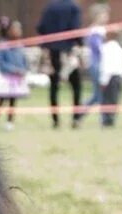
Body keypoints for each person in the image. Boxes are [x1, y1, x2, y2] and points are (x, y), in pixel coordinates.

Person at [36, 0, 82, 128]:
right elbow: (75, 29)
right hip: (69, 52)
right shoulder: (74, 7)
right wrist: (80, 45)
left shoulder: (49, 7)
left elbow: (41, 28)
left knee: (54, 88)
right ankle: (76, 119)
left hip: (53, 52)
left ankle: (55, 120)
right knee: (76, 87)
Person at [0, 18, 29, 132]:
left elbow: (24, 61)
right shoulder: (3, 46)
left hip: (17, 79)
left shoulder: (20, 46)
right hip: (6, 78)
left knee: (13, 101)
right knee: (1, 100)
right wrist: (13, 70)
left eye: (20, 29)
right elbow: (0, 63)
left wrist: (24, 70)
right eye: (16, 28)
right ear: (9, 30)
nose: (19, 31)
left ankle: (9, 122)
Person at [97, 30, 122, 127]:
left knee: (106, 99)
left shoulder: (105, 49)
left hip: (109, 77)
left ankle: (106, 120)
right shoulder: (120, 49)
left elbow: (105, 65)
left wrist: (103, 80)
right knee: (115, 99)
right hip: (119, 77)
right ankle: (112, 119)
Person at [83, 4, 109, 111]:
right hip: (95, 63)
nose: (107, 17)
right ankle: (79, 113)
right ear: (97, 16)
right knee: (98, 94)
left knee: (99, 94)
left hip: (100, 63)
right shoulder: (95, 31)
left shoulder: (101, 30)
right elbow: (96, 47)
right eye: (104, 15)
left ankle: (79, 114)